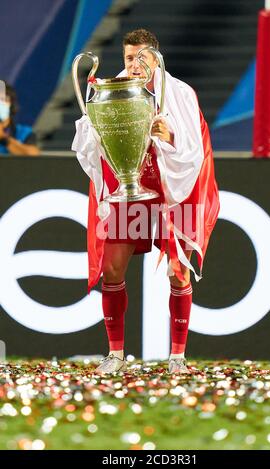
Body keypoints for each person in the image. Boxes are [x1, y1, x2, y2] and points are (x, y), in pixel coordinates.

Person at [72, 29, 220, 375]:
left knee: (178, 271)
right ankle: (116, 354)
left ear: (156, 57)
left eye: (141, 57)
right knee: (112, 267)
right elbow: (87, 141)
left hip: (173, 190)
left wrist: (170, 137)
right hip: (131, 187)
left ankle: (177, 357)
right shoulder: (110, 90)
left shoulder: (179, 92)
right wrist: (96, 130)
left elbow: (195, 149)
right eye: (128, 58)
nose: (135, 65)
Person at [0, 81, 40, 156]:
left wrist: (3, 139)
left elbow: (33, 154)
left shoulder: (23, 133)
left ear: (11, 105)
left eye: (4, 100)